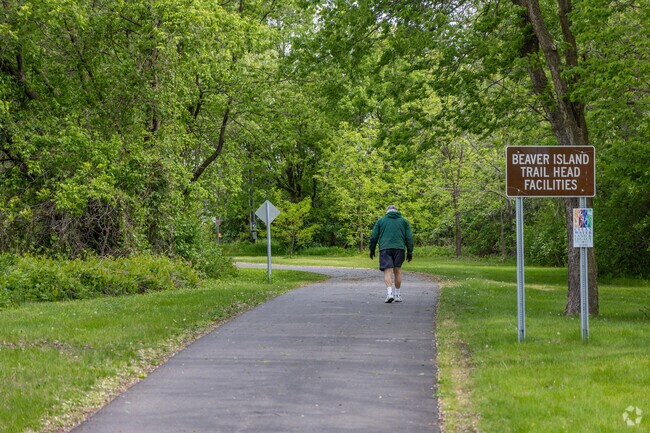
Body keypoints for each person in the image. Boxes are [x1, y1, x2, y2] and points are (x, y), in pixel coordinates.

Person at [369, 205, 414, 303]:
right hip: (400, 248)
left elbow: (373, 237)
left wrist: (371, 250)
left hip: (385, 248)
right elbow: (409, 238)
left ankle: (389, 294)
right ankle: (397, 295)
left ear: (387, 211)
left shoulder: (381, 221)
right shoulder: (404, 221)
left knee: (387, 271)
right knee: (397, 270)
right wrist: (410, 252)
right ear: (396, 211)